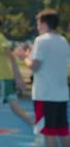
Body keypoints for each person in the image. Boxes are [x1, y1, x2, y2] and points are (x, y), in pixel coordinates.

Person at [20, 9, 70, 147]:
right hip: (61, 95)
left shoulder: (41, 41)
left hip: (45, 95)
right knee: (63, 132)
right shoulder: (63, 41)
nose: (37, 27)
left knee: (49, 133)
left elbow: (34, 66)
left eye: (38, 24)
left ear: (44, 24)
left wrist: (25, 57)